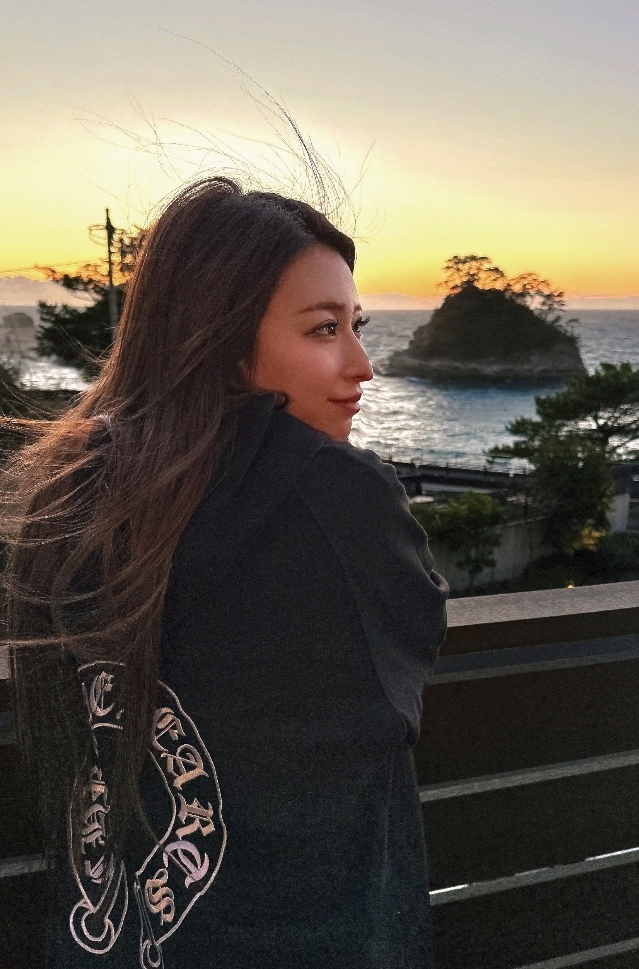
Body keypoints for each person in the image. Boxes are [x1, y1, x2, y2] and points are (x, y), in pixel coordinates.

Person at [3, 177, 448, 968]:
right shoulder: (331, 494)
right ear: (222, 341)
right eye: (324, 330)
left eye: (356, 326)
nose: (363, 365)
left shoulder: (69, 494)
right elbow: (399, 654)